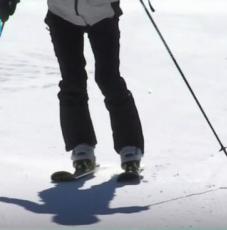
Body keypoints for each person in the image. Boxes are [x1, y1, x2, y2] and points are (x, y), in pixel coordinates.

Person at [1, 0, 145, 173]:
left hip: (101, 13)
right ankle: (82, 149)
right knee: (72, 80)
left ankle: (130, 149)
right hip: (61, 14)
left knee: (108, 78)